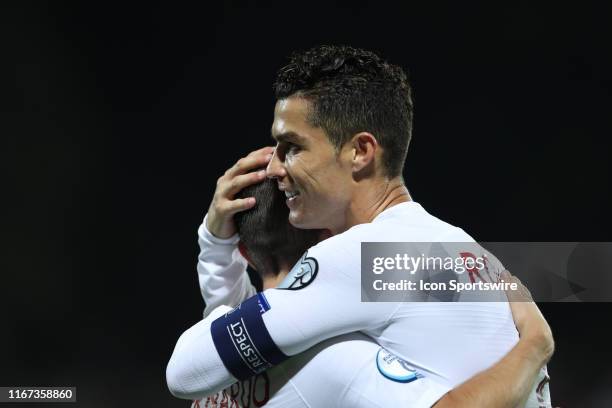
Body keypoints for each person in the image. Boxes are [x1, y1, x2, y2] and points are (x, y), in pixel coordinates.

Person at [167, 45, 554, 406]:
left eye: (293, 147)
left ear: (360, 152)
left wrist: (215, 244)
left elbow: (189, 371)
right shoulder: (463, 250)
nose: (274, 167)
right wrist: (534, 344)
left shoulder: (361, 258)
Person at [186, 177, 551, 407]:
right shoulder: (330, 359)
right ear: (330, 238)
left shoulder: (218, 361)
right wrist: (535, 342)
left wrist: (214, 241)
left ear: (246, 253)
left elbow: (239, 314)